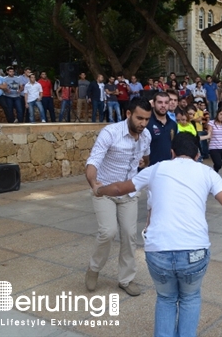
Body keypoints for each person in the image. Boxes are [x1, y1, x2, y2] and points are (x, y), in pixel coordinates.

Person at [93, 132, 222, 337]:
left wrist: (99, 190)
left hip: (158, 251)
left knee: (166, 298)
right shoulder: (208, 173)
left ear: (172, 153)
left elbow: (118, 188)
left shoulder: (156, 169)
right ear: (197, 155)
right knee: (190, 298)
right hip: (194, 252)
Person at [84, 98, 153, 297]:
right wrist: (94, 183)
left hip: (129, 192)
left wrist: (143, 162)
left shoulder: (146, 135)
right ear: (128, 114)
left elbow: (146, 157)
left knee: (130, 235)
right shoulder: (110, 132)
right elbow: (94, 160)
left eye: (147, 119)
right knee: (108, 232)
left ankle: (126, 279)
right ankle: (94, 269)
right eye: (140, 118)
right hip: (104, 189)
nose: (143, 123)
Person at [147, 92, 177, 165]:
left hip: (167, 168)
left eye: (166, 103)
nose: (163, 105)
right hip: (149, 168)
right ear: (153, 104)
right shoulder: (146, 122)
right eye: (160, 102)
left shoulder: (173, 124)